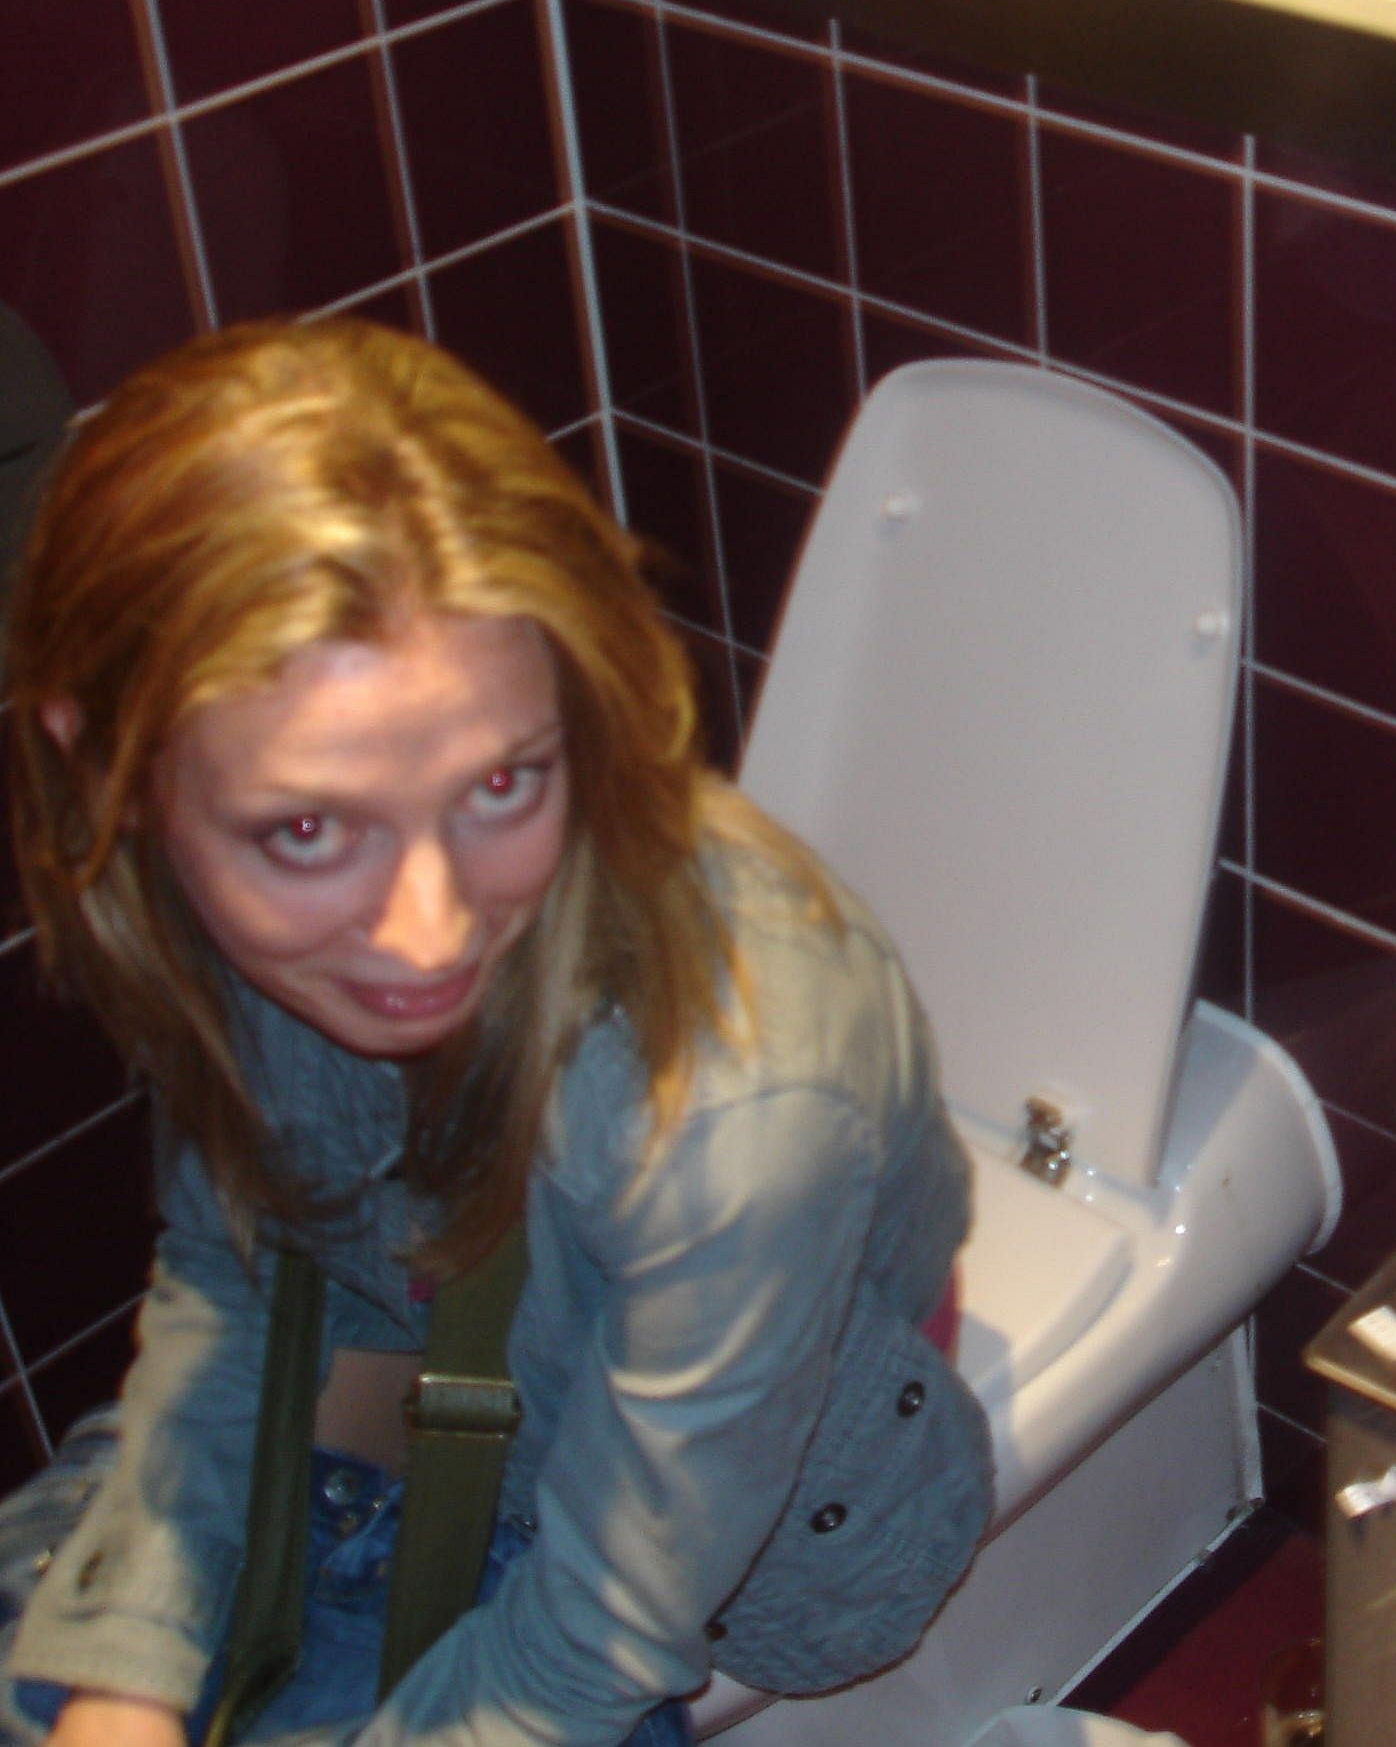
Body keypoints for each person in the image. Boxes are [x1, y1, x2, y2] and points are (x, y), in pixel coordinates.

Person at [0, 320, 991, 1744]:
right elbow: (237, 1266)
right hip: (374, 1376)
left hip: (666, 1468)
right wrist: (126, 1671)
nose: (429, 936)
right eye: (308, 829)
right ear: (109, 768)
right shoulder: (189, 888)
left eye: (504, 783)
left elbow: (596, 1636)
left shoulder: (739, 1100)